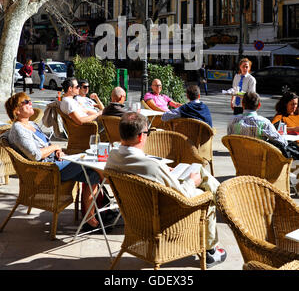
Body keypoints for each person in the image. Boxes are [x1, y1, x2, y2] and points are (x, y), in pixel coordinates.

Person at [106, 111, 227, 268]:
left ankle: (223, 201)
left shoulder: (112, 157)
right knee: (206, 192)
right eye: (147, 133)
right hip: (166, 217)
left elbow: (140, 166)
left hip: (137, 215)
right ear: (141, 137)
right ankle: (211, 247)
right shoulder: (152, 167)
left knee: (202, 173)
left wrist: (163, 170)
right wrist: (192, 181)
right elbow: (183, 195)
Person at [4, 92, 102, 233]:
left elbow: (46, 144)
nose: (30, 103)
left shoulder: (31, 124)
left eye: (30, 100)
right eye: (26, 102)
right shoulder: (18, 129)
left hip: (56, 162)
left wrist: (58, 151)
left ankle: (89, 216)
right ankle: (112, 195)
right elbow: (36, 155)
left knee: (93, 173)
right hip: (47, 170)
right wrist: (55, 147)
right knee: (88, 160)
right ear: (16, 110)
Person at [228, 92, 299, 160]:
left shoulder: (232, 120)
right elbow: (282, 142)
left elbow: (229, 139)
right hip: (261, 161)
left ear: (242, 104)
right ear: (259, 105)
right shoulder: (264, 122)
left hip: (239, 159)